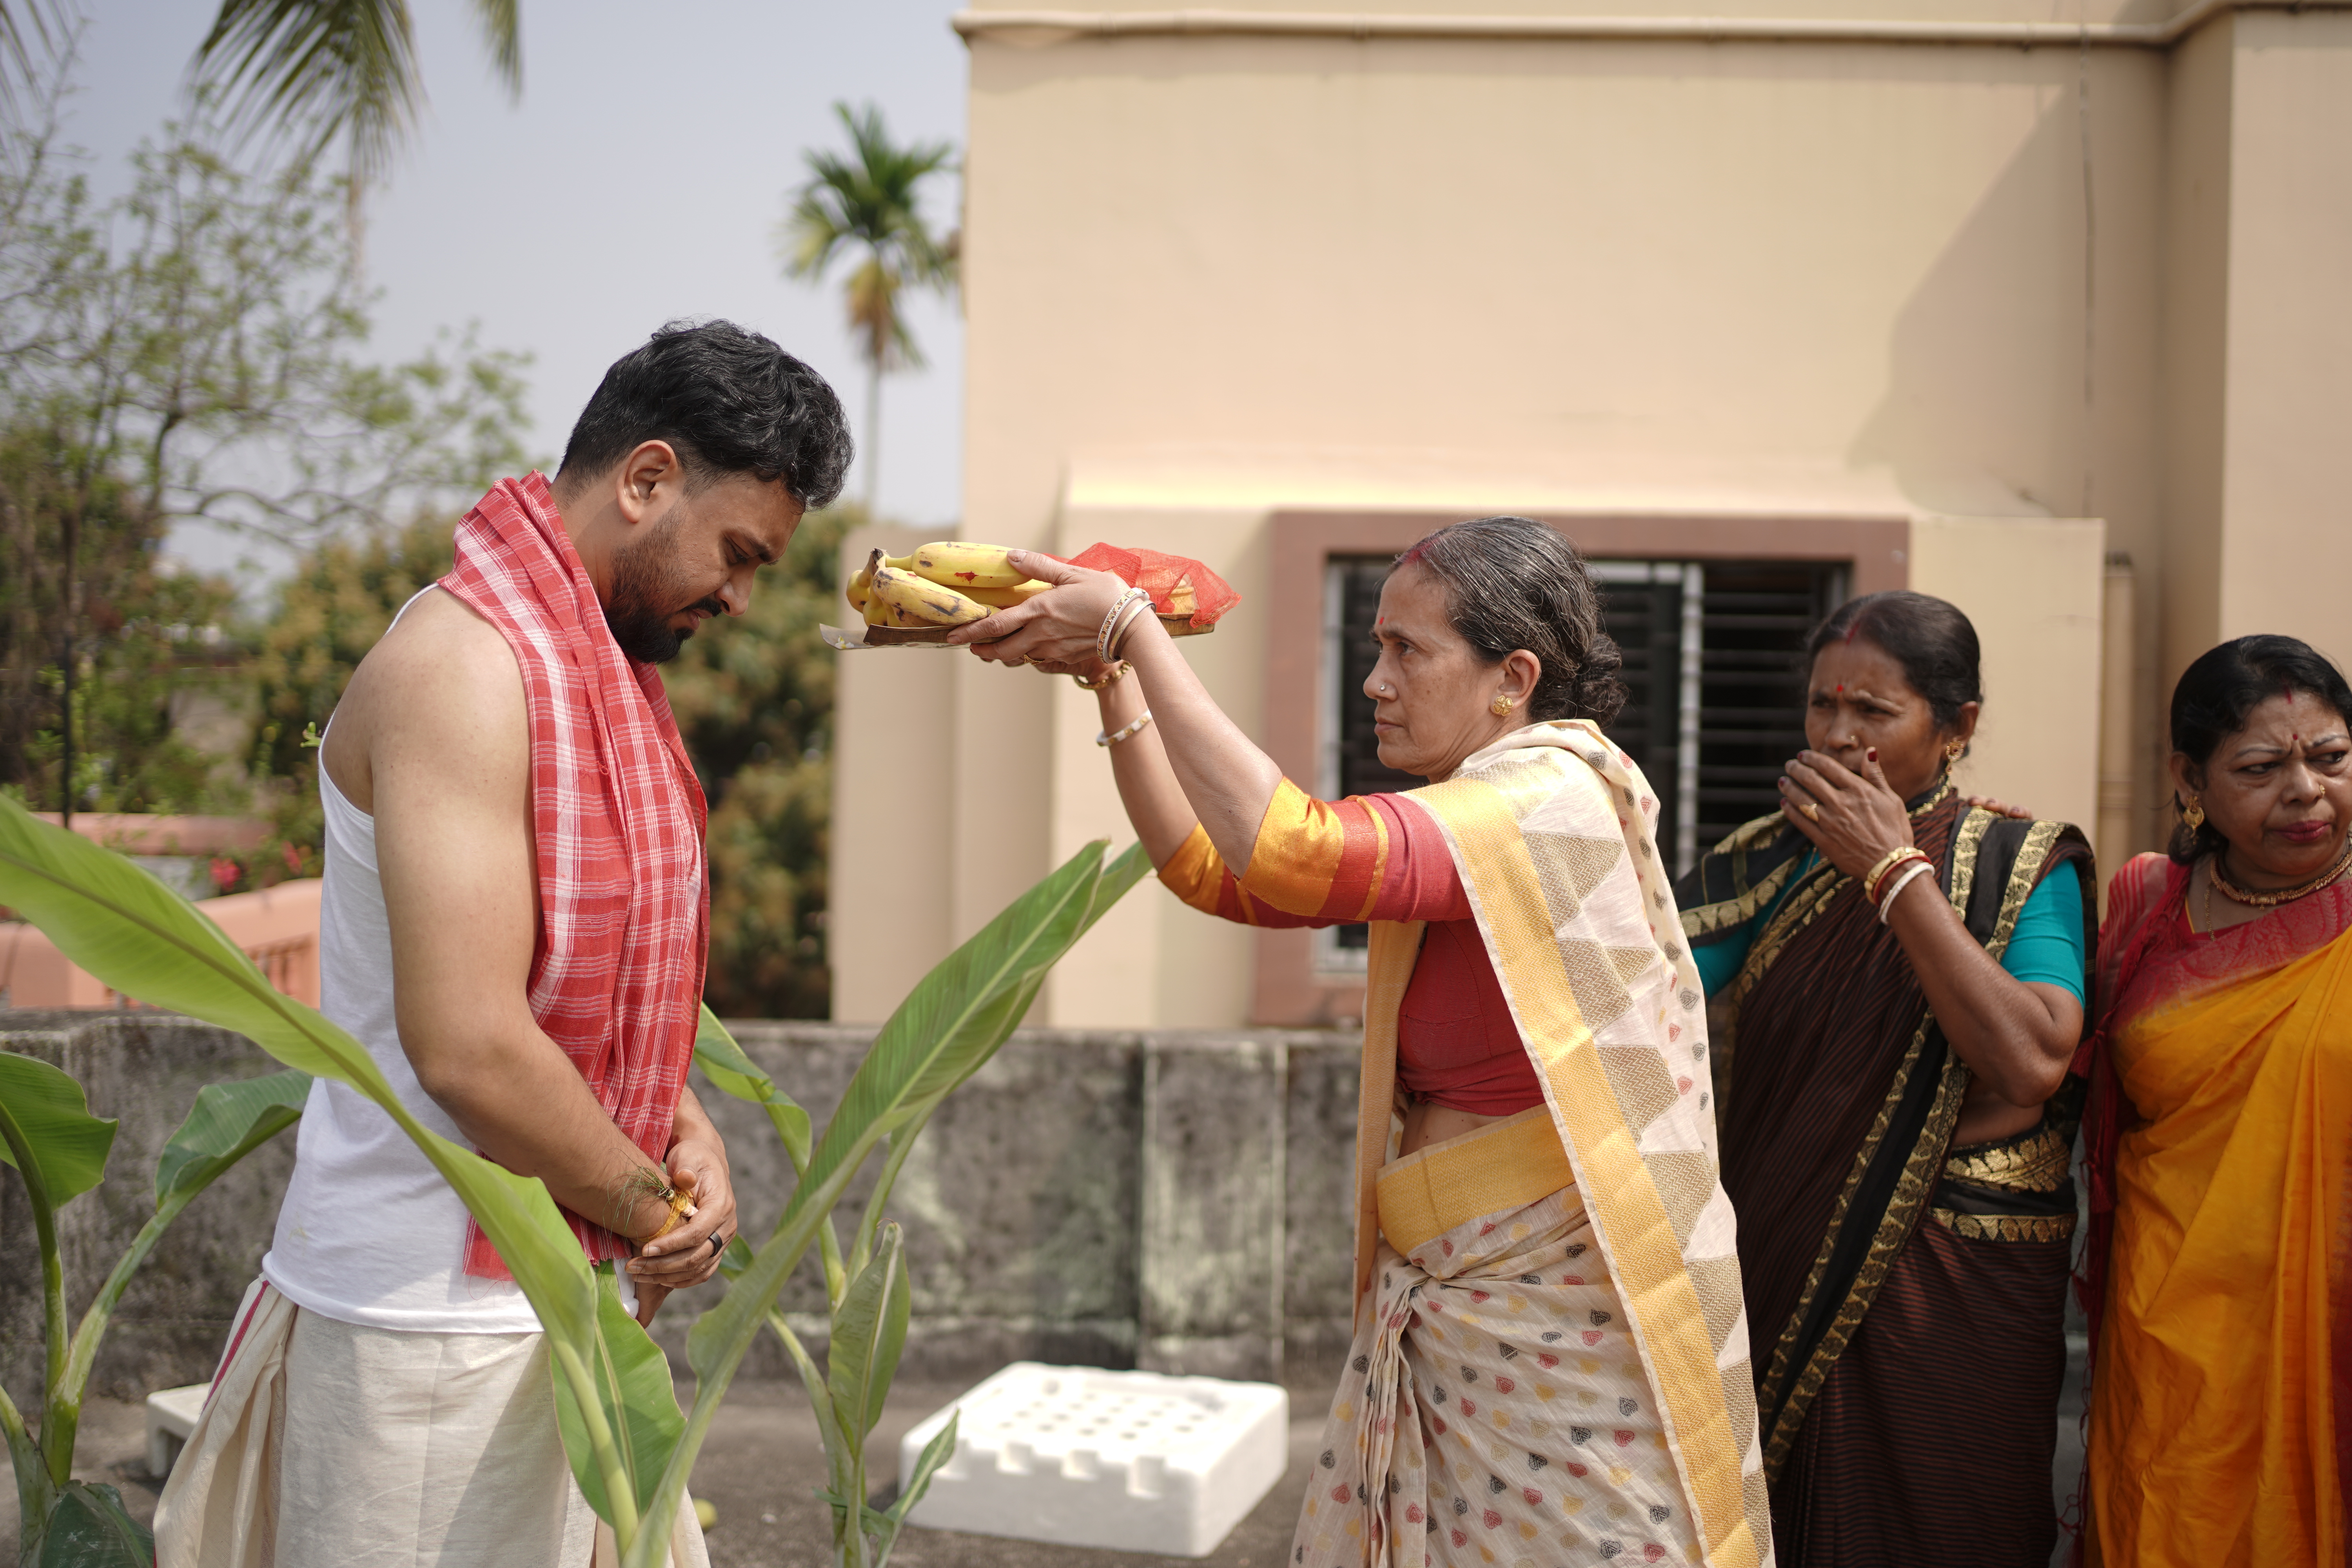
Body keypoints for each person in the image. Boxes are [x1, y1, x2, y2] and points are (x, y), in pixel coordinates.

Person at [155, 321, 854, 1567]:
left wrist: (680, 1123)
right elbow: (473, 1046)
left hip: (544, 1307)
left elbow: (585, 993)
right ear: (647, 480)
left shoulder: (588, 673)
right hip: (426, 1335)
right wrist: (653, 1208)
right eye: (739, 554)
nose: (741, 599)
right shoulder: (463, 670)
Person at [954, 516, 1775, 1568]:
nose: (1375, 682)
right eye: (1377, 645)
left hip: (1562, 1335)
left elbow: (1292, 851)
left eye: (1407, 650)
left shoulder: (1548, 802)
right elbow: (1216, 871)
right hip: (1455, 1309)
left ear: (1514, 677)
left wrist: (1135, 631)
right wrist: (1116, 681)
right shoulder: (1474, 811)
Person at [1671, 591, 2092, 1567]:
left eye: (1874, 710)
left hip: (1950, 1290)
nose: (1838, 735)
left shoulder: (2018, 862)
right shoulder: (1766, 861)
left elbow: (2032, 1057)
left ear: (1957, 725)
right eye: (1823, 705)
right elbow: (1634, 999)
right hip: (1785, 1245)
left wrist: (1893, 870)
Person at [2079, 635, 2352, 1564]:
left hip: (2330, 1328)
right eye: (2261, 768)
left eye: (2331, 757)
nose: (2307, 790)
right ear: (2190, 779)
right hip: (2169, 1326)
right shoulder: (2148, 900)